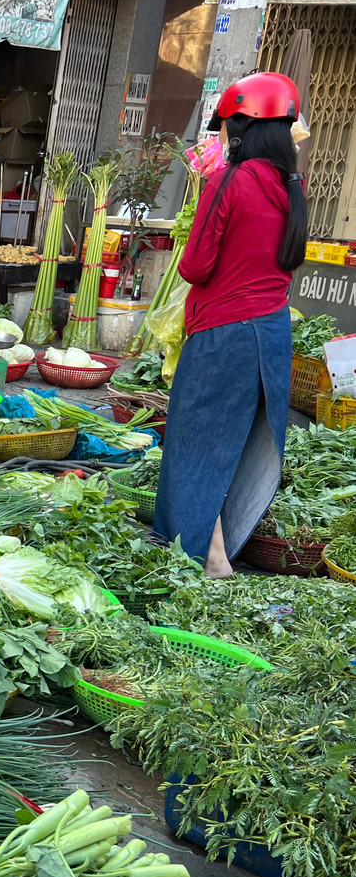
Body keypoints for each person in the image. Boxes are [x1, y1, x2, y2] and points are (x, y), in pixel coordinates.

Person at [153, 71, 307, 579]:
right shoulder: (293, 188)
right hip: (272, 333)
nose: (221, 137)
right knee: (239, 444)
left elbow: (195, 266)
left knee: (194, 443)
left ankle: (195, 558)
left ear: (242, 131)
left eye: (224, 129)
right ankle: (220, 548)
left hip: (224, 333)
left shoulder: (228, 181)